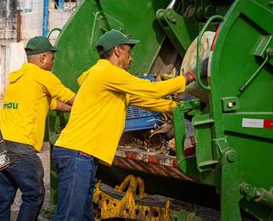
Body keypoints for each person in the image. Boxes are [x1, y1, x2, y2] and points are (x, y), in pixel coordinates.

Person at [52, 30, 196, 220]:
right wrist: (187, 78)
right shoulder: (107, 72)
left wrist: (182, 107)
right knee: (70, 216)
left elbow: (146, 101)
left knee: (82, 215)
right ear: (118, 52)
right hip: (77, 154)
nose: (131, 58)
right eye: (129, 52)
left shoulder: (108, 79)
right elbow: (152, 89)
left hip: (82, 155)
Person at [0, 36, 76, 221]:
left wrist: (74, 108)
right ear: (43, 58)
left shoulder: (18, 78)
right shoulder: (43, 76)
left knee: (2, 199)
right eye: (52, 58)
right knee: (34, 194)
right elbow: (71, 98)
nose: (53, 63)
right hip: (20, 147)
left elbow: (54, 103)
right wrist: (91, 105)